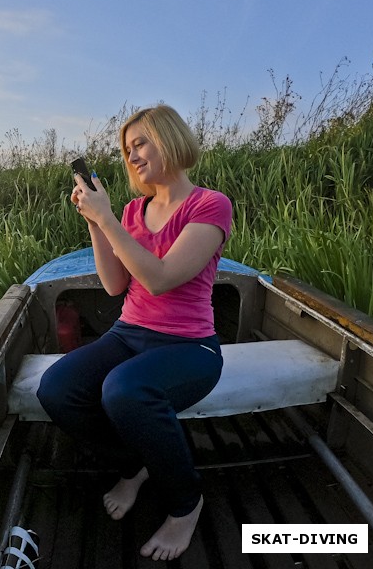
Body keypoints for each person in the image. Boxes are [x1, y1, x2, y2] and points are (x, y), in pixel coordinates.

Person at [36, 105, 232, 561]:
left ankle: (186, 504)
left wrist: (105, 221)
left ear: (170, 139)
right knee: (58, 389)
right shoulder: (131, 210)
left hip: (190, 345)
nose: (133, 155)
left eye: (140, 143)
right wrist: (95, 223)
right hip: (129, 332)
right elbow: (114, 285)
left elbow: (162, 277)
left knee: (124, 390)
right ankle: (136, 462)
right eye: (128, 150)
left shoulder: (209, 204)